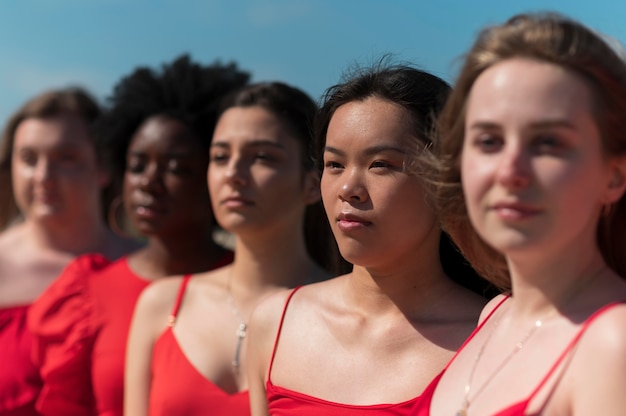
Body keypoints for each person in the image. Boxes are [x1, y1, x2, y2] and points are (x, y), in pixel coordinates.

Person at [246, 63, 491, 415]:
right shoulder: (275, 322)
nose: (348, 189)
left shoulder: (495, 338)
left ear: (446, 180)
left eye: (380, 164)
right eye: (334, 165)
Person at [416, 12, 626, 416]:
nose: (510, 171)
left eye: (547, 142)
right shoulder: (494, 313)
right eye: (489, 141)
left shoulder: (613, 343)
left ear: (614, 175)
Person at [27, 55, 250, 416]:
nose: (148, 181)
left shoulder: (260, 290)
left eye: (176, 167)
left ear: (217, 173)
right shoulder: (86, 295)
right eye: (137, 165)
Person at [124, 81, 348, 416]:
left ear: (312, 183)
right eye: (220, 156)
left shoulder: (348, 317)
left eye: (261, 156)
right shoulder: (162, 305)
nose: (233, 174)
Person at [0, 87, 138, 415]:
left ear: (103, 166)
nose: (44, 177)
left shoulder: (145, 268)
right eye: (29, 159)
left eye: (66, 158)